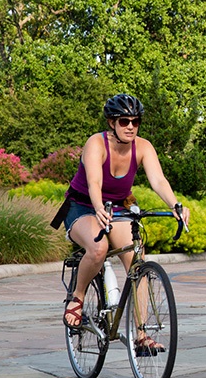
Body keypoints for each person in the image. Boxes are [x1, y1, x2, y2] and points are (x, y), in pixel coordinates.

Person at [59, 94, 189, 352]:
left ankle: (140, 337)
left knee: (137, 262)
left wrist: (176, 204)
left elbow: (159, 181)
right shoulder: (96, 143)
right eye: (124, 121)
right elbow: (94, 182)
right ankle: (78, 297)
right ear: (111, 122)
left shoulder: (143, 147)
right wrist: (97, 208)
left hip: (117, 207)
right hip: (83, 205)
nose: (130, 126)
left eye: (136, 121)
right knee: (98, 249)